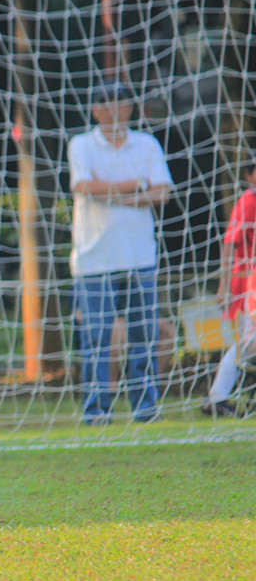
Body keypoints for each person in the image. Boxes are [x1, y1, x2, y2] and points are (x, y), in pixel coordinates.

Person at [67, 80, 172, 425]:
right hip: (94, 259)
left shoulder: (147, 144)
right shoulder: (81, 145)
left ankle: (145, 408)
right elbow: (84, 187)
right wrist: (136, 184)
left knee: (144, 334)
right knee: (96, 337)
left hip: (139, 256)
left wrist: (111, 191)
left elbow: (162, 194)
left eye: (122, 102)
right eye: (107, 103)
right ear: (95, 110)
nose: (116, 109)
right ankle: (96, 412)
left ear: (131, 107)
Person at [202, 158, 256, 417]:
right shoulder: (249, 202)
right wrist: (224, 285)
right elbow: (229, 244)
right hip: (246, 285)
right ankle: (217, 397)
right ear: (249, 174)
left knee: (245, 342)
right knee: (246, 342)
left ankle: (217, 396)